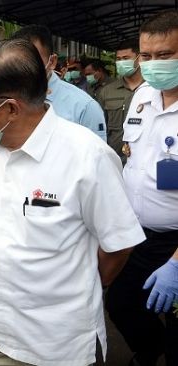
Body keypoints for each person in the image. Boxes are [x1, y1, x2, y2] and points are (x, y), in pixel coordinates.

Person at [0, 38, 145, 366]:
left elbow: (118, 244)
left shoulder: (87, 157)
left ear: (11, 108)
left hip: (58, 342)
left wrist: (85, 284)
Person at [105, 11, 178, 366]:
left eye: (164, 55)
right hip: (137, 237)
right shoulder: (143, 96)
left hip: (175, 245)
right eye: (146, 56)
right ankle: (150, 350)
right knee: (119, 304)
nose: (152, 64)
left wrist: (176, 264)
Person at [12, 25, 107, 141]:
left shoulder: (84, 107)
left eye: (33, 60)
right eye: (17, 61)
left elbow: (96, 156)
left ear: (52, 61)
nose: (24, 68)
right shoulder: (6, 102)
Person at [95, 38, 145, 165]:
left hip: (146, 161)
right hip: (116, 160)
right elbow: (100, 127)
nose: (121, 62)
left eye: (126, 58)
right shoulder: (106, 92)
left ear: (139, 59)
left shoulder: (153, 88)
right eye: (118, 59)